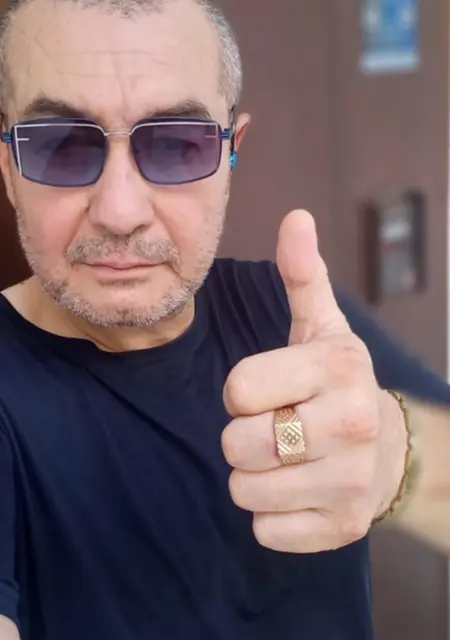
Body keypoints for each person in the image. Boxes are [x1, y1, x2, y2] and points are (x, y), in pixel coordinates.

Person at [0, 0, 449, 639]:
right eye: (60, 147)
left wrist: (400, 458)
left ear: (230, 153)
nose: (120, 212)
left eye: (175, 145)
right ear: (8, 166)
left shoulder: (291, 313)